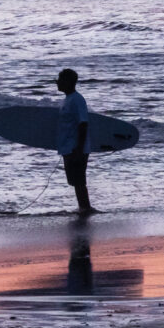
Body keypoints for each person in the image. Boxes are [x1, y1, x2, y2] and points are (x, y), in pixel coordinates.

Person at [55, 67, 94, 216]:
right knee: (74, 181)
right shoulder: (67, 99)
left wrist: (79, 148)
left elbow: (83, 123)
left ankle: (85, 209)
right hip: (68, 147)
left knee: (79, 181)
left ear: (68, 82)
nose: (57, 82)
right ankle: (84, 208)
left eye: (59, 79)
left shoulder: (77, 99)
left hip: (76, 148)